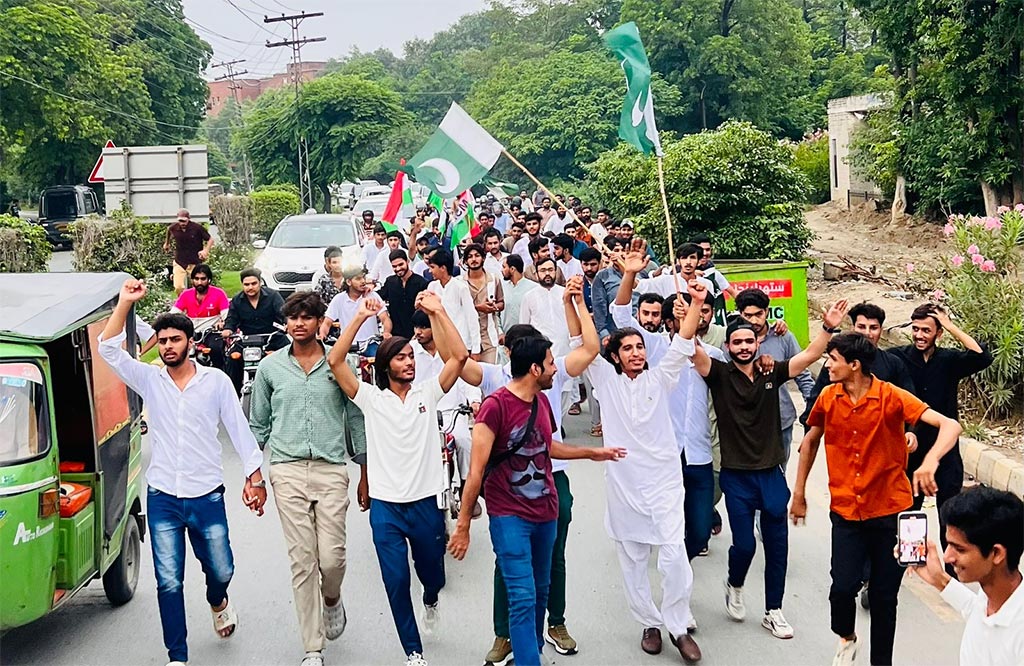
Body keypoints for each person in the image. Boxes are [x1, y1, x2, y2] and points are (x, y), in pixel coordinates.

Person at [447, 294, 626, 666]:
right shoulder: (494, 406)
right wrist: (463, 524)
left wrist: (591, 453)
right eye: (549, 363)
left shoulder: (542, 402)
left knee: (540, 592)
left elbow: (547, 446)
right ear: (533, 368)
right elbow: (476, 471)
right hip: (509, 513)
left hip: (545, 510)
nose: (555, 369)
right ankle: (521, 652)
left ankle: (534, 649)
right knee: (523, 595)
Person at [97, 278, 266, 666]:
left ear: (190, 342)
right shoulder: (149, 378)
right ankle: (177, 656)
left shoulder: (215, 382)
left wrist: (254, 476)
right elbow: (107, 349)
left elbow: (239, 430)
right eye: (163, 340)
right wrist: (124, 302)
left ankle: (217, 599)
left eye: (175, 339)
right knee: (169, 580)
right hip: (163, 498)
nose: (169, 346)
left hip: (206, 495)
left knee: (221, 568)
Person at [789, 333, 963, 666]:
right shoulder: (828, 397)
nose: (828, 365)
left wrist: (929, 462)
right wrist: (799, 494)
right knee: (842, 588)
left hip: (892, 514)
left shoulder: (891, 396)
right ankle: (846, 636)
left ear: (854, 365)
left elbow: (949, 426)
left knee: (884, 598)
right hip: (846, 512)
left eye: (833, 360)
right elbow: (810, 442)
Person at [690, 295, 851, 640]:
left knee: (777, 547)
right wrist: (691, 306)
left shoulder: (771, 370)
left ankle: (773, 611)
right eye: (737, 342)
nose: (744, 347)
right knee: (745, 545)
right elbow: (689, 347)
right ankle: (734, 583)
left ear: (757, 343)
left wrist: (828, 327)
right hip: (736, 477)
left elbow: (809, 356)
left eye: (749, 341)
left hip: (771, 475)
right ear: (728, 346)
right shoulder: (718, 374)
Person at [326, 291, 468, 666]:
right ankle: (413, 650)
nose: (409, 362)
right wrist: (360, 316)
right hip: (386, 507)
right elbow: (335, 360)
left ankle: (431, 599)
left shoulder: (428, 393)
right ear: (386, 365)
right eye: (401, 358)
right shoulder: (371, 399)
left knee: (432, 575)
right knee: (395, 579)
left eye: (411, 356)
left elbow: (459, 358)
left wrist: (439, 311)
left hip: (425, 503)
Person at [586, 255, 706, 663]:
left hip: (664, 482)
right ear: (615, 357)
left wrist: (696, 301)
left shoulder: (661, 376)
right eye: (628, 348)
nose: (637, 352)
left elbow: (683, 342)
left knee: (674, 555)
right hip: (624, 486)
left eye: (640, 347)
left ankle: (677, 625)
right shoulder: (605, 381)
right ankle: (649, 623)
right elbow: (586, 344)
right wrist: (576, 302)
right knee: (634, 560)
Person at [249, 292, 367, 666]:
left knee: (332, 559)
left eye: (306, 317)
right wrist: (253, 477)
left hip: (331, 469)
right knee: (302, 560)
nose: (298, 324)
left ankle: (332, 598)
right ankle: (312, 648)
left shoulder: (339, 362)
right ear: (286, 323)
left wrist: (366, 472)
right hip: (286, 470)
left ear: (319, 322)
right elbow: (258, 425)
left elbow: (356, 416)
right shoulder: (270, 368)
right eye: (293, 318)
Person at [890, 304, 993, 561]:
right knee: (910, 511)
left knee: (950, 512)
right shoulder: (898, 358)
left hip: (945, 450)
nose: (919, 335)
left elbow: (982, 357)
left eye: (926, 330)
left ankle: (952, 567)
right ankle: (911, 560)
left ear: (938, 333)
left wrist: (949, 324)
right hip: (910, 447)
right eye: (915, 329)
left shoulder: (949, 360)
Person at [909, 486, 1024, 666]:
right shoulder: (990, 594)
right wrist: (939, 579)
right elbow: (974, 609)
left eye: (960, 549)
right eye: (948, 545)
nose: (947, 557)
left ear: (997, 554)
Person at [732, 288, 815, 467]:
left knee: (779, 473)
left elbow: (802, 375)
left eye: (758, 314)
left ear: (767, 312)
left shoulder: (783, 337)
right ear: (740, 314)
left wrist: (813, 408)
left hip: (780, 420)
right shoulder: (733, 340)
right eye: (748, 315)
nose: (754, 321)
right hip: (745, 423)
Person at [410, 309, 481, 490]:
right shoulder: (410, 352)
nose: (418, 332)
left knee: (465, 442)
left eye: (423, 327)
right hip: (423, 412)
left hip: (453, 412)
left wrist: (474, 401)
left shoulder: (452, 350)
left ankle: (467, 487)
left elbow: (467, 378)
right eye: (416, 327)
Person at [223, 268, 286, 392]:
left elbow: (284, 313)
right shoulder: (237, 300)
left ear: (260, 282)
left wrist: (287, 323)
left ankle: (285, 390)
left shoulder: (273, 296)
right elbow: (231, 319)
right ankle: (234, 394)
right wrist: (228, 329)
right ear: (242, 284)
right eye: (246, 284)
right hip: (247, 340)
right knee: (232, 359)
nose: (250, 287)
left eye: (253, 283)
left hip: (273, 337)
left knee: (289, 355)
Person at [320, 269, 392, 354]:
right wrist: (322, 336)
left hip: (371, 344)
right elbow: (327, 323)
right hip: (347, 345)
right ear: (349, 282)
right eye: (358, 279)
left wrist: (386, 332)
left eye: (363, 278)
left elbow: (385, 318)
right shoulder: (339, 299)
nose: (363, 281)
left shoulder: (372, 295)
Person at [426, 249, 480, 356]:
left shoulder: (460, 287)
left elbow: (472, 317)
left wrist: (476, 348)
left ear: (443, 268)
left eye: (432, 267)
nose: (429, 271)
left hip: (462, 342)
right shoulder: (432, 287)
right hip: (441, 343)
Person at [519, 257, 570, 358]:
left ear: (556, 272)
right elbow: (524, 326)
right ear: (536, 274)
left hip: (566, 350)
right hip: (540, 351)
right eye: (543, 270)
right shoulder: (529, 297)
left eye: (550, 270)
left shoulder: (566, 293)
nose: (547, 273)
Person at [463, 243, 505, 363]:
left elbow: (501, 303)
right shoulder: (460, 283)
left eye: (477, 255)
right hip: (468, 338)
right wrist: (478, 308)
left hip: (489, 337)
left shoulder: (494, 279)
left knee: (490, 372)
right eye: (470, 257)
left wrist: (494, 307)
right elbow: (457, 309)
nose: (474, 259)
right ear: (465, 261)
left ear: (483, 258)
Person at [578, 247, 603, 436]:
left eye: (593, 264)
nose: (589, 268)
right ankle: (596, 422)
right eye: (585, 264)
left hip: (607, 337)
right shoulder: (578, 285)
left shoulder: (606, 281)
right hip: (586, 337)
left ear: (599, 264)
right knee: (591, 380)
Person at [379, 250, 430, 340]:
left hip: (415, 335)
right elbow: (379, 296)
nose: (398, 268)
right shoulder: (390, 282)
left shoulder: (421, 283)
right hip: (396, 335)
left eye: (401, 264)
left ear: (407, 261)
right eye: (394, 266)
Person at [163, 209, 214, 294]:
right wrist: (167, 243)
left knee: (199, 286)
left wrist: (205, 250)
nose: (182, 223)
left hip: (194, 262)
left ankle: (198, 300)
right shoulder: (174, 227)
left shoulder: (197, 228)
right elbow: (169, 230)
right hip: (179, 261)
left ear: (188, 219)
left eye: (184, 221)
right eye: (180, 221)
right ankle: (183, 301)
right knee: (178, 287)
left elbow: (210, 239)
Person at [500, 253, 538, 338]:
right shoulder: (501, 287)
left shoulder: (534, 288)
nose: (501, 270)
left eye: (504, 267)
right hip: (505, 338)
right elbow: (496, 314)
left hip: (528, 338)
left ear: (512, 269)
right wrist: (500, 333)